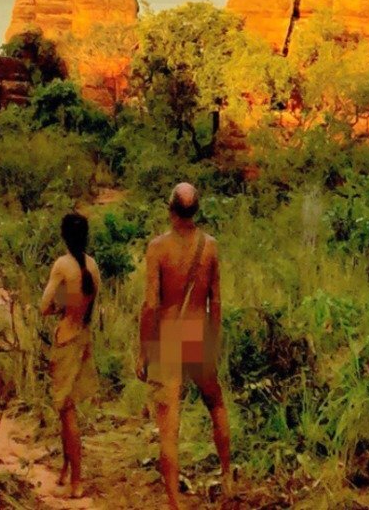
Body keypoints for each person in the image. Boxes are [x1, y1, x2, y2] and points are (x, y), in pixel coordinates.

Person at [138, 182, 231, 509]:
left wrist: (143, 352)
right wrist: (213, 341)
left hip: (168, 338)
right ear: (195, 210)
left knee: (168, 425)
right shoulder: (210, 247)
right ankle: (228, 476)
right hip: (198, 333)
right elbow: (216, 301)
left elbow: (150, 305)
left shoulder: (157, 248)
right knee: (215, 403)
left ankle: (174, 501)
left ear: (170, 209)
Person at [41, 209, 101, 498]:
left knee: (67, 413)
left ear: (64, 236)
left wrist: (58, 308)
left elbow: (44, 305)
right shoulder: (92, 266)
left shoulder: (62, 265)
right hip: (84, 337)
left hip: (66, 339)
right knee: (68, 409)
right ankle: (66, 471)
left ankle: (77, 481)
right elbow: (87, 303)